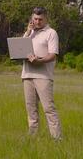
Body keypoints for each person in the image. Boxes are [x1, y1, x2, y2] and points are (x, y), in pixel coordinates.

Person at [22, 7, 62, 140]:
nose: (37, 22)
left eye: (40, 19)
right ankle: (33, 138)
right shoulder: (29, 33)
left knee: (49, 109)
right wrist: (28, 31)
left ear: (45, 19)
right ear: (31, 19)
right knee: (31, 110)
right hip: (27, 75)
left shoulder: (51, 33)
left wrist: (39, 61)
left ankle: (57, 139)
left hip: (43, 76)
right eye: (35, 19)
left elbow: (53, 55)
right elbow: (20, 49)